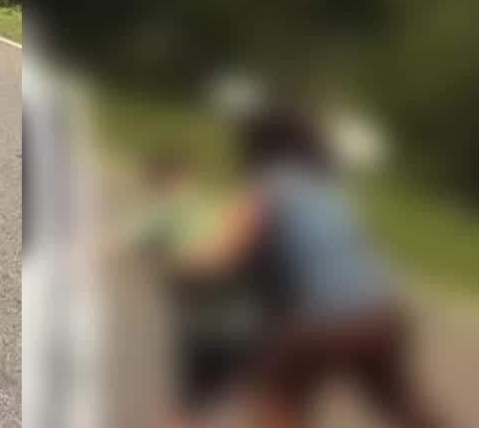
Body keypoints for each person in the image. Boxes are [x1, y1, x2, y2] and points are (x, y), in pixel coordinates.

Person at [182, 100, 448, 428]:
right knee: (401, 403)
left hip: (318, 322)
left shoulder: (266, 189)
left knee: (277, 399)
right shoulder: (329, 190)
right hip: (384, 314)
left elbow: (217, 260)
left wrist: (183, 262)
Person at [112, 146, 266, 428]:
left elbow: (116, 249)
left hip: (210, 325)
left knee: (189, 408)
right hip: (243, 322)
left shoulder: (159, 211)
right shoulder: (215, 205)